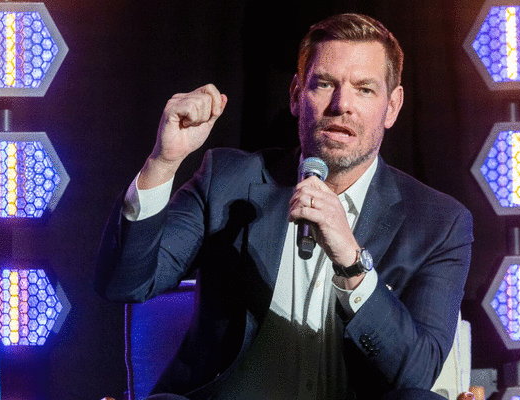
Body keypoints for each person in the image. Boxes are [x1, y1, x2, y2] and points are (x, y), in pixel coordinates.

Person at [95, 13, 473, 400]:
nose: (341, 105)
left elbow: (415, 375)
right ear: (295, 95)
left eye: (364, 89)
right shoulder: (226, 180)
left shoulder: (440, 224)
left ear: (392, 107)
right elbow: (125, 282)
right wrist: (163, 161)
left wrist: (351, 261)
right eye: (324, 84)